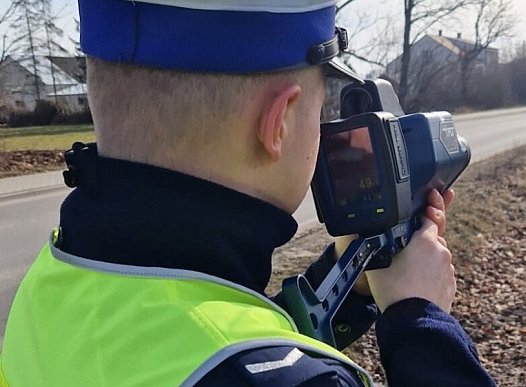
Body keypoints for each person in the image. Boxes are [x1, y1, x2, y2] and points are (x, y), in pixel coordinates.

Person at [0, 1, 496, 386]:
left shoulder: (56, 280)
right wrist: (421, 323)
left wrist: (348, 285)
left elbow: (199, 339)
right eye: (321, 109)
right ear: (277, 122)